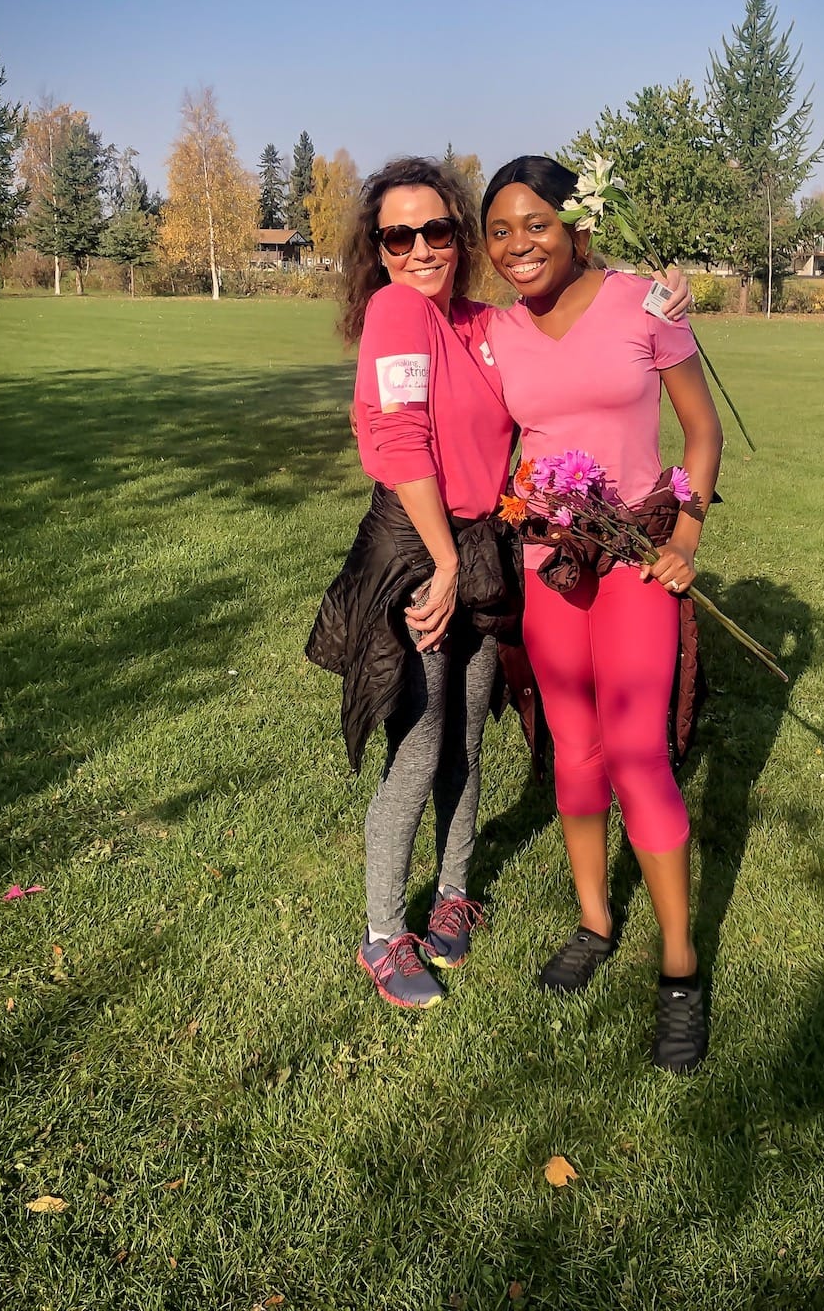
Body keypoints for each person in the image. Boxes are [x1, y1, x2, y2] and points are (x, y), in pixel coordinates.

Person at [482, 156, 723, 1073]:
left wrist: (687, 535)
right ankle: (593, 919)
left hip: (632, 564)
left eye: (535, 223)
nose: (518, 246)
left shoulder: (645, 305)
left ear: (577, 224)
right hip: (552, 571)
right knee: (570, 747)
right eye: (500, 231)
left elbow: (701, 430)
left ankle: (679, 969)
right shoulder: (495, 333)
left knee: (636, 754)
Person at [306, 157, 520, 1009]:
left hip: (478, 544)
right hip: (418, 545)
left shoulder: (481, 322)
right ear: (380, 249)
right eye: (402, 234)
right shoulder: (398, 311)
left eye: (438, 229)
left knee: (468, 734)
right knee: (422, 738)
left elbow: (562, 335)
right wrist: (443, 561)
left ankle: (453, 893)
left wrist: (657, 298)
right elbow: (400, 448)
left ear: (460, 235)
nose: (423, 248)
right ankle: (382, 932)